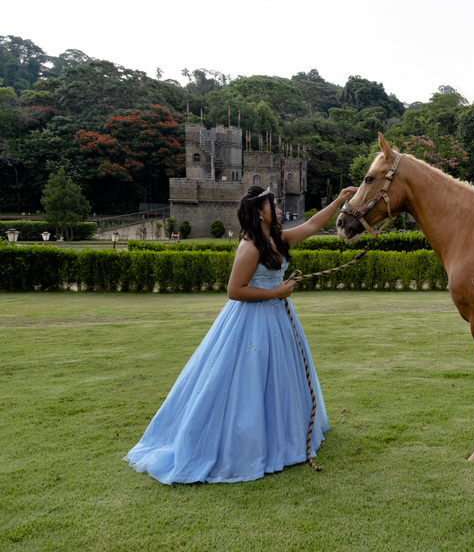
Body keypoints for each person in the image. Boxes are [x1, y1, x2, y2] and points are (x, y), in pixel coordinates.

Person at [125, 184, 357, 484]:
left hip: (279, 320)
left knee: (280, 379)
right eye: (272, 205)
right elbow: (234, 291)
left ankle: (282, 437)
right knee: (248, 380)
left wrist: (339, 201)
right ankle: (245, 444)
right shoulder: (250, 247)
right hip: (251, 320)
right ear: (259, 212)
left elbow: (312, 225)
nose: (277, 209)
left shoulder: (277, 239)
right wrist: (277, 290)